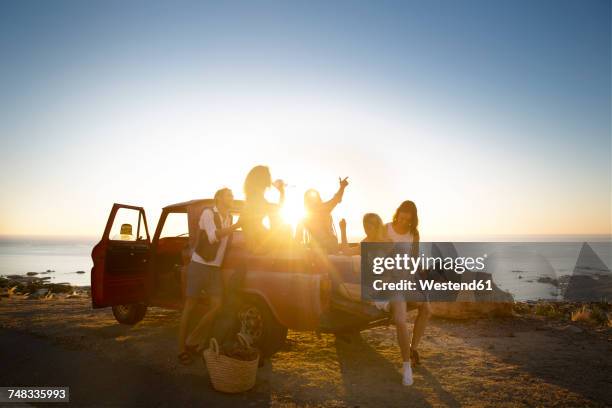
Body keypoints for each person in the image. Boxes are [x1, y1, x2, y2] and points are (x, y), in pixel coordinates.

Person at [177, 188, 240, 365]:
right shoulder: (208, 213)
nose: (232, 198)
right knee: (189, 308)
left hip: (214, 269)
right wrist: (235, 226)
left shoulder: (229, 217)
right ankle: (181, 349)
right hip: (199, 266)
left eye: (232, 195)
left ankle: (194, 339)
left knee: (217, 306)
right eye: (229, 195)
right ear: (219, 198)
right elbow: (213, 237)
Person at [386, 200, 430, 386]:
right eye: (402, 218)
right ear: (398, 214)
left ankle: (412, 349)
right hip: (389, 281)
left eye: (408, 220)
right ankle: (406, 367)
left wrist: (420, 271)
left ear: (413, 219)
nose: (404, 223)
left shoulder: (414, 233)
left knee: (427, 308)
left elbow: (414, 259)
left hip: (406, 281)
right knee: (400, 319)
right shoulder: (386, 228)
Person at [239, 165, 288, 254]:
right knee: (287, 228)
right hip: (258, 245)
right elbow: (246, 224)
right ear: (262, 178)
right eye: (268, 174)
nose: (271, 177)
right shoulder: (256, 199)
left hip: (259, 243)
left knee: (285, 228)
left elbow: (277, 209)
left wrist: (281, 191)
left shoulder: (257, 198)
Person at [298, 177, 349, 253]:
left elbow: (336, 199)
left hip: (318, 250)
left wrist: (342, 187)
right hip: (327, 248)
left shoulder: (305, 217)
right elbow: (336, 199)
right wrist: (342, 187)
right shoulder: (323, 209)